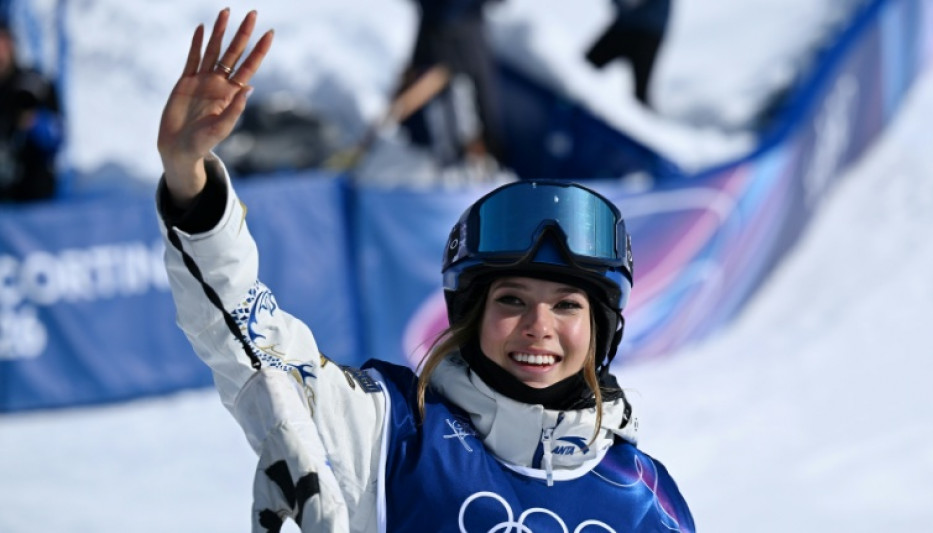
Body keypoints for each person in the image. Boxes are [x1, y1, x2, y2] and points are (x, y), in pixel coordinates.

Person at [157, 9, 693, 532]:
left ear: (602, 328)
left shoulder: (646, 500)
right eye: (511, 299)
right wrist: (190, 181)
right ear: (471, 314)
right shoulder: (387, 430)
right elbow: (253, 340)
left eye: (568, 304)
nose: (538, 325)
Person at [397, 0, 506, 170]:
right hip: (433, 47)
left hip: (467, 46)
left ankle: (474, 164)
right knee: (419, 134)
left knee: (479, 131)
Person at [0, 17, 63, 202]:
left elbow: (56, 135)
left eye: (3, 42)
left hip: (28, 191)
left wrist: (33, 122)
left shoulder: (33, 84)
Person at [585, 0, 672, 108]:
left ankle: (646, 124)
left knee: (640, 94)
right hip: (627, 25)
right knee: (583, 70)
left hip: (647, 31)